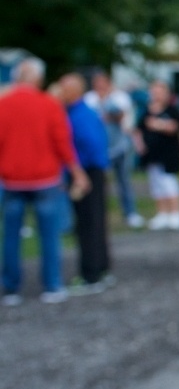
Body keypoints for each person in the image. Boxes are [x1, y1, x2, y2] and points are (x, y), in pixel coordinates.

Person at [0, 59, 89, 305]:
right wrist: (76, 171)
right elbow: (62, 142)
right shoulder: (49, 105)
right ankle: (51, 285)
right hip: (45, 179)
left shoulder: (3, 104)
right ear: (38, 79)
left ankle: (11, 289)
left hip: (11, 179)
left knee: (11, 236)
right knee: (49, 235)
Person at [59, 73, 113, 291]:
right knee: (95, 222)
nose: (60, 92)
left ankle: (91, 275)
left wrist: (78, 175)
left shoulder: (80, 115)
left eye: (64, 88)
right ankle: (100, 268)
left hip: (87, 172)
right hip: (91, 171)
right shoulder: (81, 112)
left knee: (88, 225)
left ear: (74, 91)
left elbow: (91, 145)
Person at [86, 70, 144, 228]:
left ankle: (130, 213)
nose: (100, 86)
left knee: (124, 181)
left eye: (102, 82)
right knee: (98, 183)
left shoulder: (119, 97)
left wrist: (106, 104)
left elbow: (121, 116)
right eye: (97, 82)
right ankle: (98, 215)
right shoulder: (89, 98)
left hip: (119, 147)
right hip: (99, 148)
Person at [139, 80, 179, 230]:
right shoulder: (147, 110)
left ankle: (175, 213)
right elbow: (138, 128)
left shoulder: (172, 110)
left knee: (169, 184)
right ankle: (162, 213)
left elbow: (173, 128)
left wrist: (157, 124)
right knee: (156, 185)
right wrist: (140, 144)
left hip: (168, 155)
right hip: (152, 155)